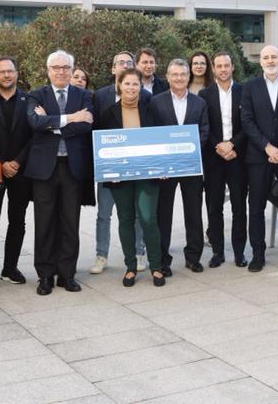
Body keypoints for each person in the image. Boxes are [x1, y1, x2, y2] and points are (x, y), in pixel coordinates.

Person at [25, 50, 95, 295]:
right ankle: (45, 276)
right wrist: (70, 118)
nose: (61, 71)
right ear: (48, 70)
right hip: (45, 169)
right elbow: (34, 123)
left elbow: (86, 125)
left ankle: (67, 274)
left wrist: (53, 124)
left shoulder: (84, 94)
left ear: (72, 69)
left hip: (72, 168)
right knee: (44, 223)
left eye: (66, 67)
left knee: (69, 222)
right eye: (56, 67)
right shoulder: (37, 94)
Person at [96, 69, 165, 287]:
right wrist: (109, 171)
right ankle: (130, 267)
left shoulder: (151, 110)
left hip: (147, 176)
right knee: (125, 219)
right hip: (120, 178)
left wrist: (163, 167)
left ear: (141, 87)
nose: (132, 88)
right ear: (120, 85)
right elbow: (100, 144)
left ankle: (156, 267)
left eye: (136, 84)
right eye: (127, 84)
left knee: (148, 219)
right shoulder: (108, 113)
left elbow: (159, 141)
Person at [240, 44, 278, 272]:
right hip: (258, 156)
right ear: (260, 62)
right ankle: (258, 254)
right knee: (255, 207)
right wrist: (267, 147)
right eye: (265, 57)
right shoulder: (250, 87)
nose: (270, 60)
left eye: (273, 57)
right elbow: (246, 120)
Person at [148, 59, 211, 274]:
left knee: (193, 212)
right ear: (167, 76)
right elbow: (152, 133)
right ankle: (163, 260)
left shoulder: (199, 102)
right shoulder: (156, 102)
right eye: (175, 74)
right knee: (162, 214)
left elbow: (204, 130)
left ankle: (193, 257)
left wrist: (189, 151)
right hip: (165, 169)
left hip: (191, 166)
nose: (179, 78)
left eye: (183, 74)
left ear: (188, 77)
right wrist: (162, 162)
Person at [91, 52, 149, 275]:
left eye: (129, 63)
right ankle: (101, 255)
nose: (124, 66)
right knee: (104, 213)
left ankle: (138, 252)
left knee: (135, 213)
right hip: (110, 167)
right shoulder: (100, 96)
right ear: (113, 69)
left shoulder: (145, 98)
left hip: (137, 166)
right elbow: (96, 132)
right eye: (120, 63)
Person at [0, 56, 34, 285]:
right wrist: (1, 162)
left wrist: (17, 162)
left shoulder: (29, 100)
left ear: (16, 73)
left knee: (18, 220)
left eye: (10, 71)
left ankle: (10, 267)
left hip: (20, 171)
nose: (6, 75)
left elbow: (35, 135)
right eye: (1, 71)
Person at [199, 52, 249, 268]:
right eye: (218, 66)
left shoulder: (244, 91)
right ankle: (217, 252)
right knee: (214, 207)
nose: (222, 69)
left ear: (232, 67)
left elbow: (249, 122)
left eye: (226, 65)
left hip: (238, 157)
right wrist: (218, 145)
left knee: (239, 207)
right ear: (214, 68)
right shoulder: (204, 93)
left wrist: (233, 144)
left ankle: (239, 252)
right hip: (214, 157)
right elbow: (204, 125)